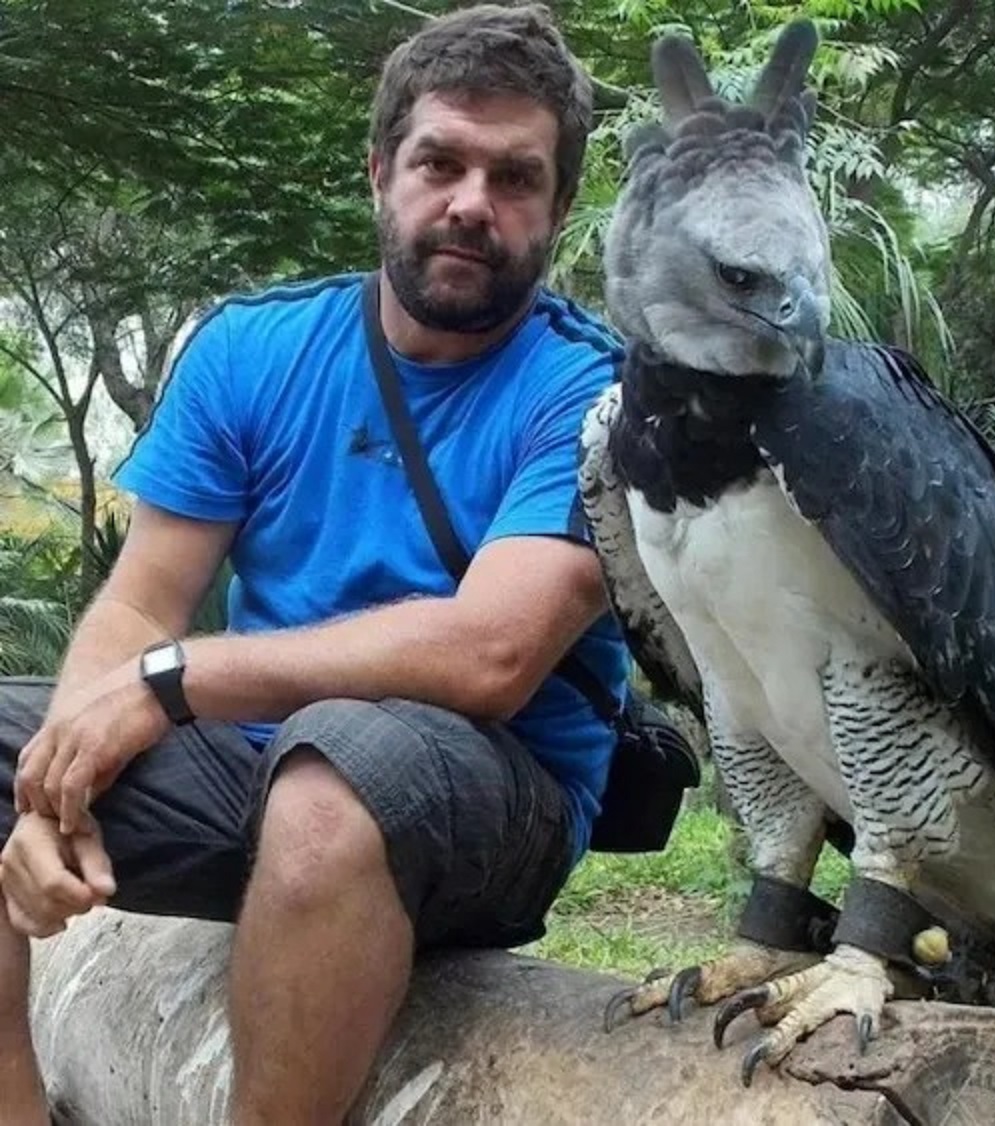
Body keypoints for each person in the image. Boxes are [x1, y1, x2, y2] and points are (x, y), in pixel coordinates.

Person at [0, 5, 630, 1122]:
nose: (471, 203)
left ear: (560, 209)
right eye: (439, 162)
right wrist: (63, 770)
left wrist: (168, 685)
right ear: (381, 171)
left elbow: (491, 655)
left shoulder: (597, 397)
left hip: (490, 796)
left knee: (334, 772)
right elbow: (145, 598)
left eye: (515, 177)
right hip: (250, 772)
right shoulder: (254, 349)